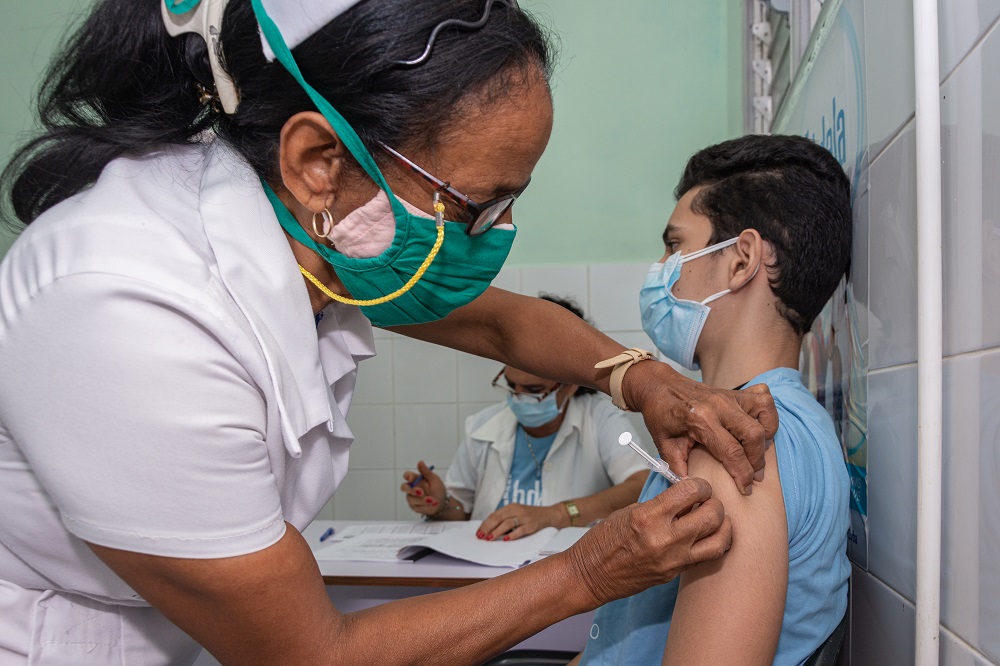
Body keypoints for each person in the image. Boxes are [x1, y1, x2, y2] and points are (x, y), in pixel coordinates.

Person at [0, 1, 779, 664]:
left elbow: (504, 325)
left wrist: (645, 382)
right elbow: (316, 654)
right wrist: (588, 573)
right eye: (477, 203)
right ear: (318, 161)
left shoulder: (322, 233)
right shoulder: (130, 309)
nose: (499, 231)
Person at [577, 134, 853, 666]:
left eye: (675, 246)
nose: (660, 268)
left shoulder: (738, 440)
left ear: (741, 259)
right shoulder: (770, 419)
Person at [401, 294, 648, 540]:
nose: (518, 398)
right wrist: (440, 503)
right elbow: (461, 513)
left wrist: (556, 514)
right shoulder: (481, 426)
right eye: (511, 385)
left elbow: (641, 484)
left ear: (571, 384)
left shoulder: (600, 419)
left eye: (534, 391)